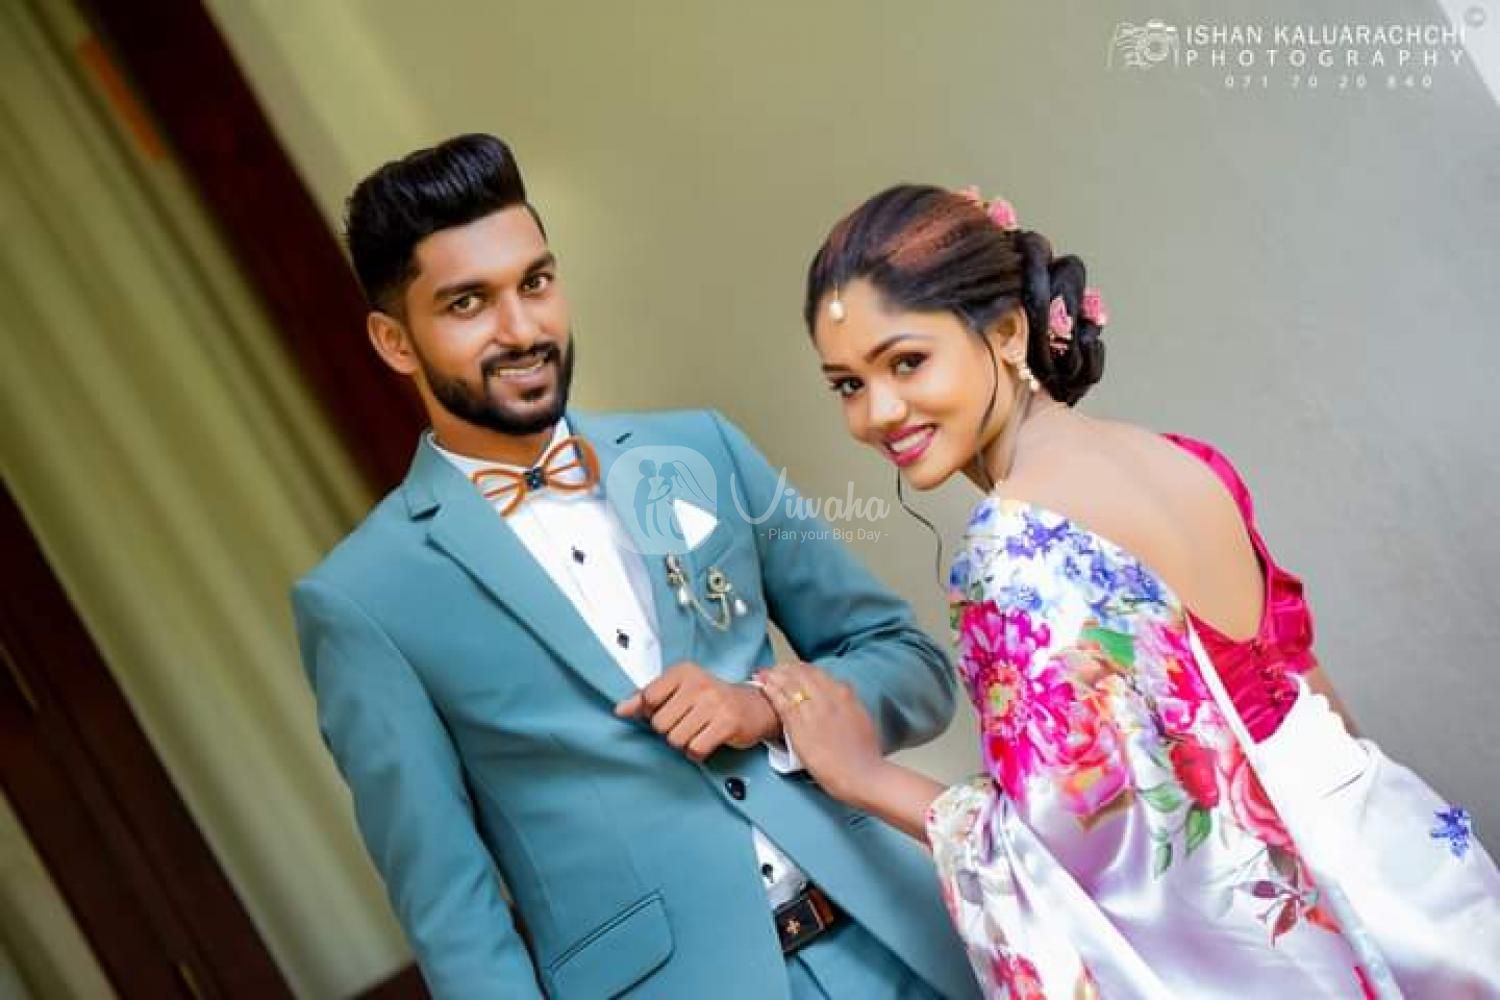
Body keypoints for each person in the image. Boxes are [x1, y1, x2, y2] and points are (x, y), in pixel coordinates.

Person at [757, 183, 1500, 998]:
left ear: (1005, 332)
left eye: (906, 362)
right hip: (1391, 852)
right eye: (847, 385)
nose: (878, 412)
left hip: (1288, 913)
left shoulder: (1015, 548)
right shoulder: (1178, 456)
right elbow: (1303, 679)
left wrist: (864, 778)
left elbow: (1078, 850)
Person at [291, 137, 981, 999]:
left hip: (908, 948)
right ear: (396, 341)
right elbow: (453, 918)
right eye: (469, 303)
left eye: (536, 283)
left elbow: (910, 666)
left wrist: (766, 707)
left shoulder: (700, 449)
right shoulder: (363, 600)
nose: (522, 329)